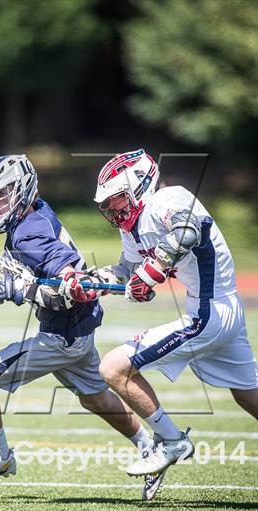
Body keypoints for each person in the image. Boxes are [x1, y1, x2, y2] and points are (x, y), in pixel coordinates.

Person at [0, 154, 163, 500]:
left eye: (3, 193)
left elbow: (69, 290)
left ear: (22, 189)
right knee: (95, 398)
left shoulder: (30, 233)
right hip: (79, 331)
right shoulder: (34, 213)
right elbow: (16, 270)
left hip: (62, 337)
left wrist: (11, 290)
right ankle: (149, 446)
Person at [59, 148, 258, 480]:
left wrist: (153, 272)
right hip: (224, 313)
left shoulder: (167, 200)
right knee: (248, 395)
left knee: (113, 367)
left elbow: (187, 231)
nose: (113, 208)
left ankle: (171, 440)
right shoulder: (133, 225)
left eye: (118, 198)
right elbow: (126, 268)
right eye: (108, 203)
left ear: (140, 185)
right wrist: (94, 283)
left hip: (208, 314)